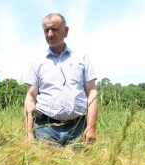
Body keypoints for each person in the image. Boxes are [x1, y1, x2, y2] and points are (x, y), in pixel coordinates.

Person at [23, 13, 98, 147]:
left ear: (66, 31)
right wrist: (28, 133)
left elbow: (92, 93)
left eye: (54, 29)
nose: (50, 34)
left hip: (78, 129)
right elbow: (30, 98)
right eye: (46, 30)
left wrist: (91, 127)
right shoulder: (36, 62)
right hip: (45, 130)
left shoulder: (82, 59)